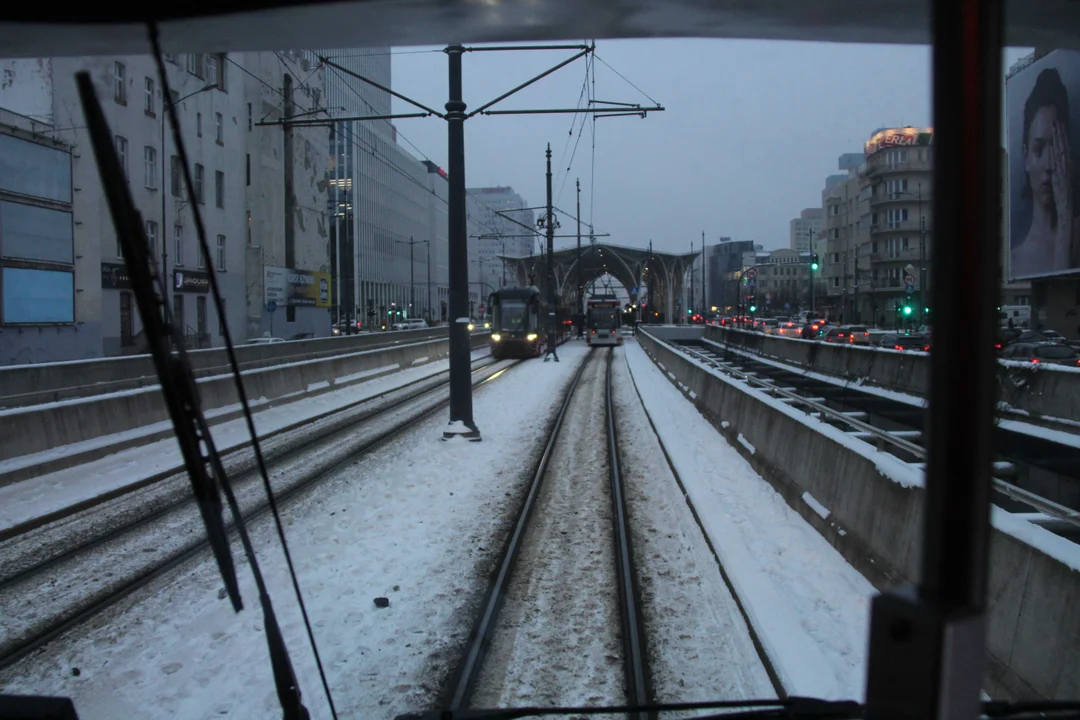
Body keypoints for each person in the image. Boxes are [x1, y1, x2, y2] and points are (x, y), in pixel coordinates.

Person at [1012, 67, 1080, 277]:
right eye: (1039, 149)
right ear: (1026, 156)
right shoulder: (1015, 261)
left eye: (1057, 148)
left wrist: (1066, 218)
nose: (1050, 165)